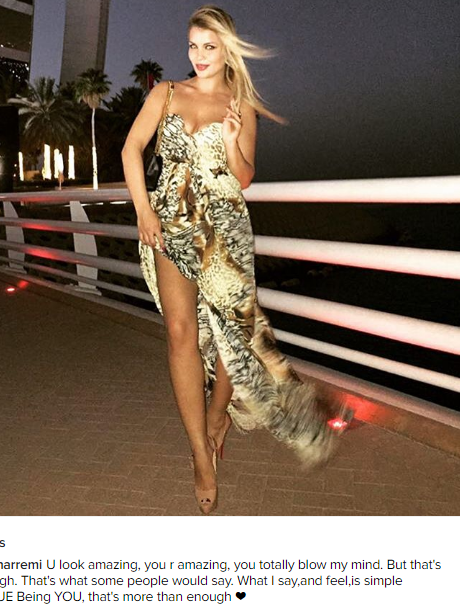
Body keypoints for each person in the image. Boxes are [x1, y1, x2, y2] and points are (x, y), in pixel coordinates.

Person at [122, 4, 351, 515]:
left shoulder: (240, 102)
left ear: (227, 50)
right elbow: (131, 149)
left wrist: (229, 142)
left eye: (210, 47)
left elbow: (243, 177)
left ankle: (219, 413)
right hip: (170, 223)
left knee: (237, 330)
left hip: (223, 227)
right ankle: (200, 452)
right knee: (180, 333)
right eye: (193, 46)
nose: (199, 56)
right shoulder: (165, 93)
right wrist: (143, 210)